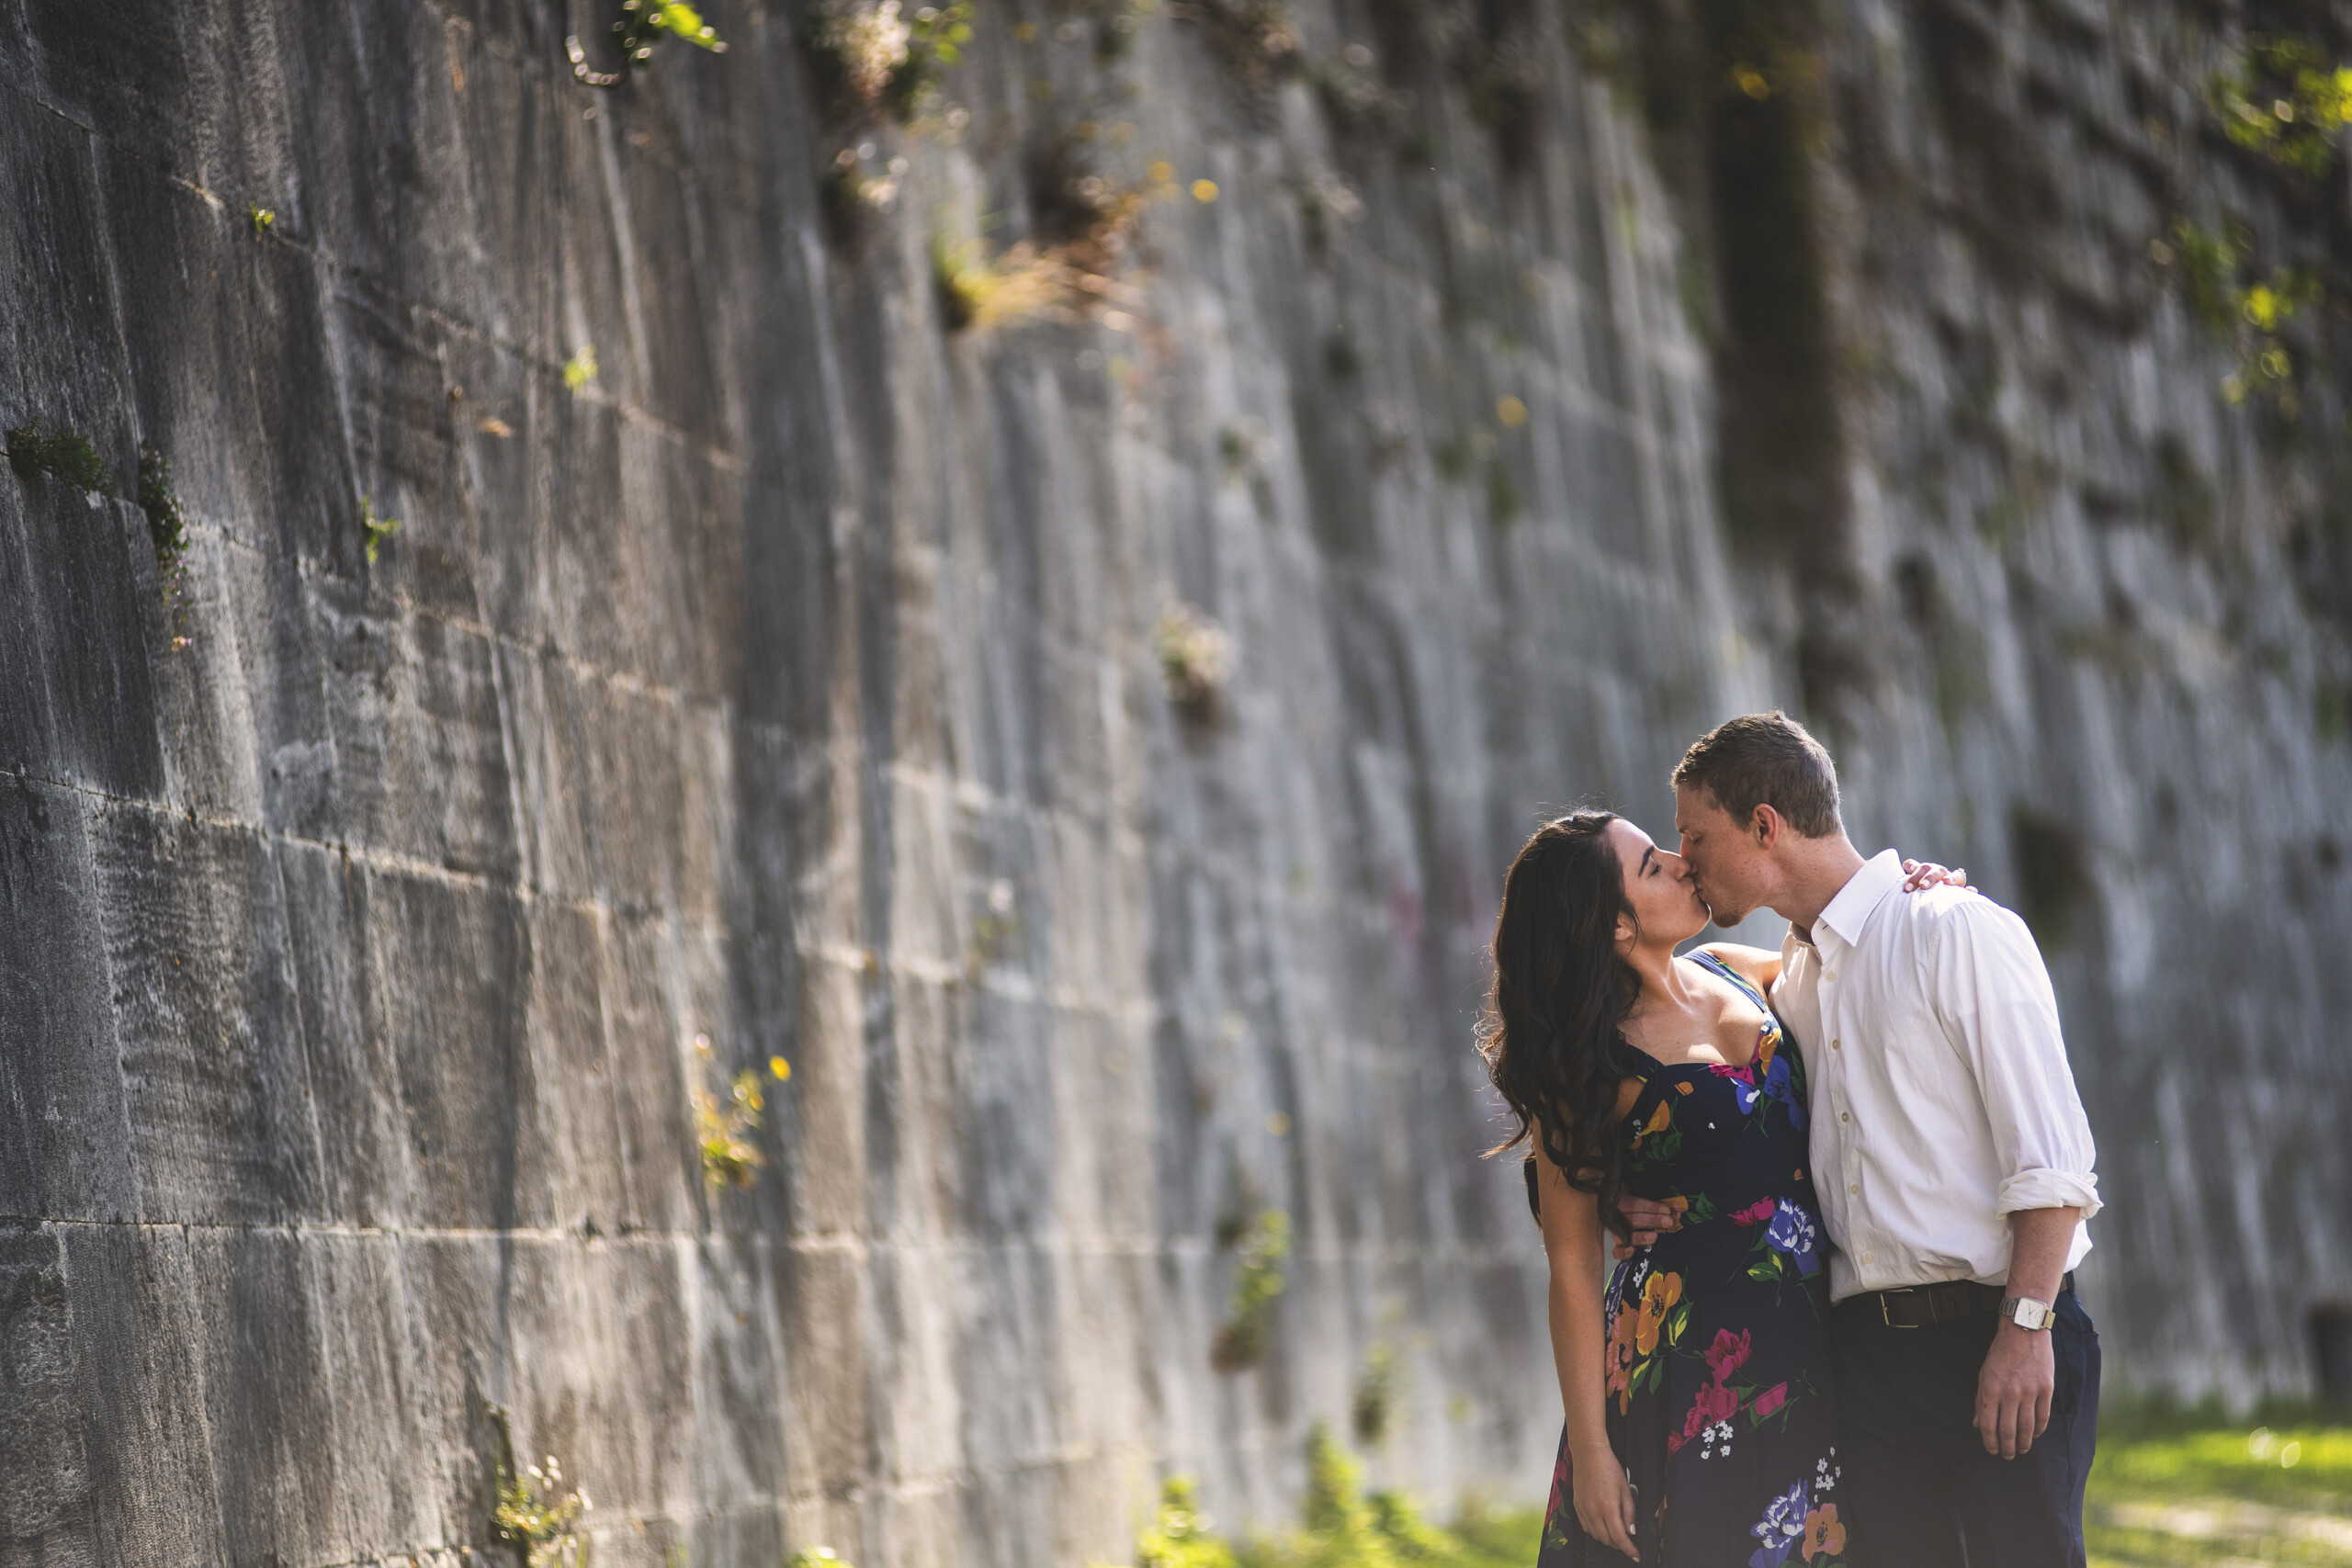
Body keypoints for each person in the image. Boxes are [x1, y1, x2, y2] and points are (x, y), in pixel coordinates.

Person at [1615, 711, 2102, 1568]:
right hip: (1864, 1366)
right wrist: (1616, 1185)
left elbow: (2054, 1162)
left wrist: (2025, 1329)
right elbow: (1651, 1053)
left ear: (1765, 825)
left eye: (1696, 836)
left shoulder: (1952, 930)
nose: (1684, 859)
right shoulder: (1783, 981)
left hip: (1999, 1326)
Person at [1482, 810, 1962, 1565]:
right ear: (1612, 924)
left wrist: (1914, 896)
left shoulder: (1735, 967)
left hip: (1812, 1349)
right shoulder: (1588, 1065)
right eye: (1652, 865)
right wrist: (1592, 1447)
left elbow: (1852, 953)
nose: (1682, 862)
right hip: (1687, 1372)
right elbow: (1572, 1265)